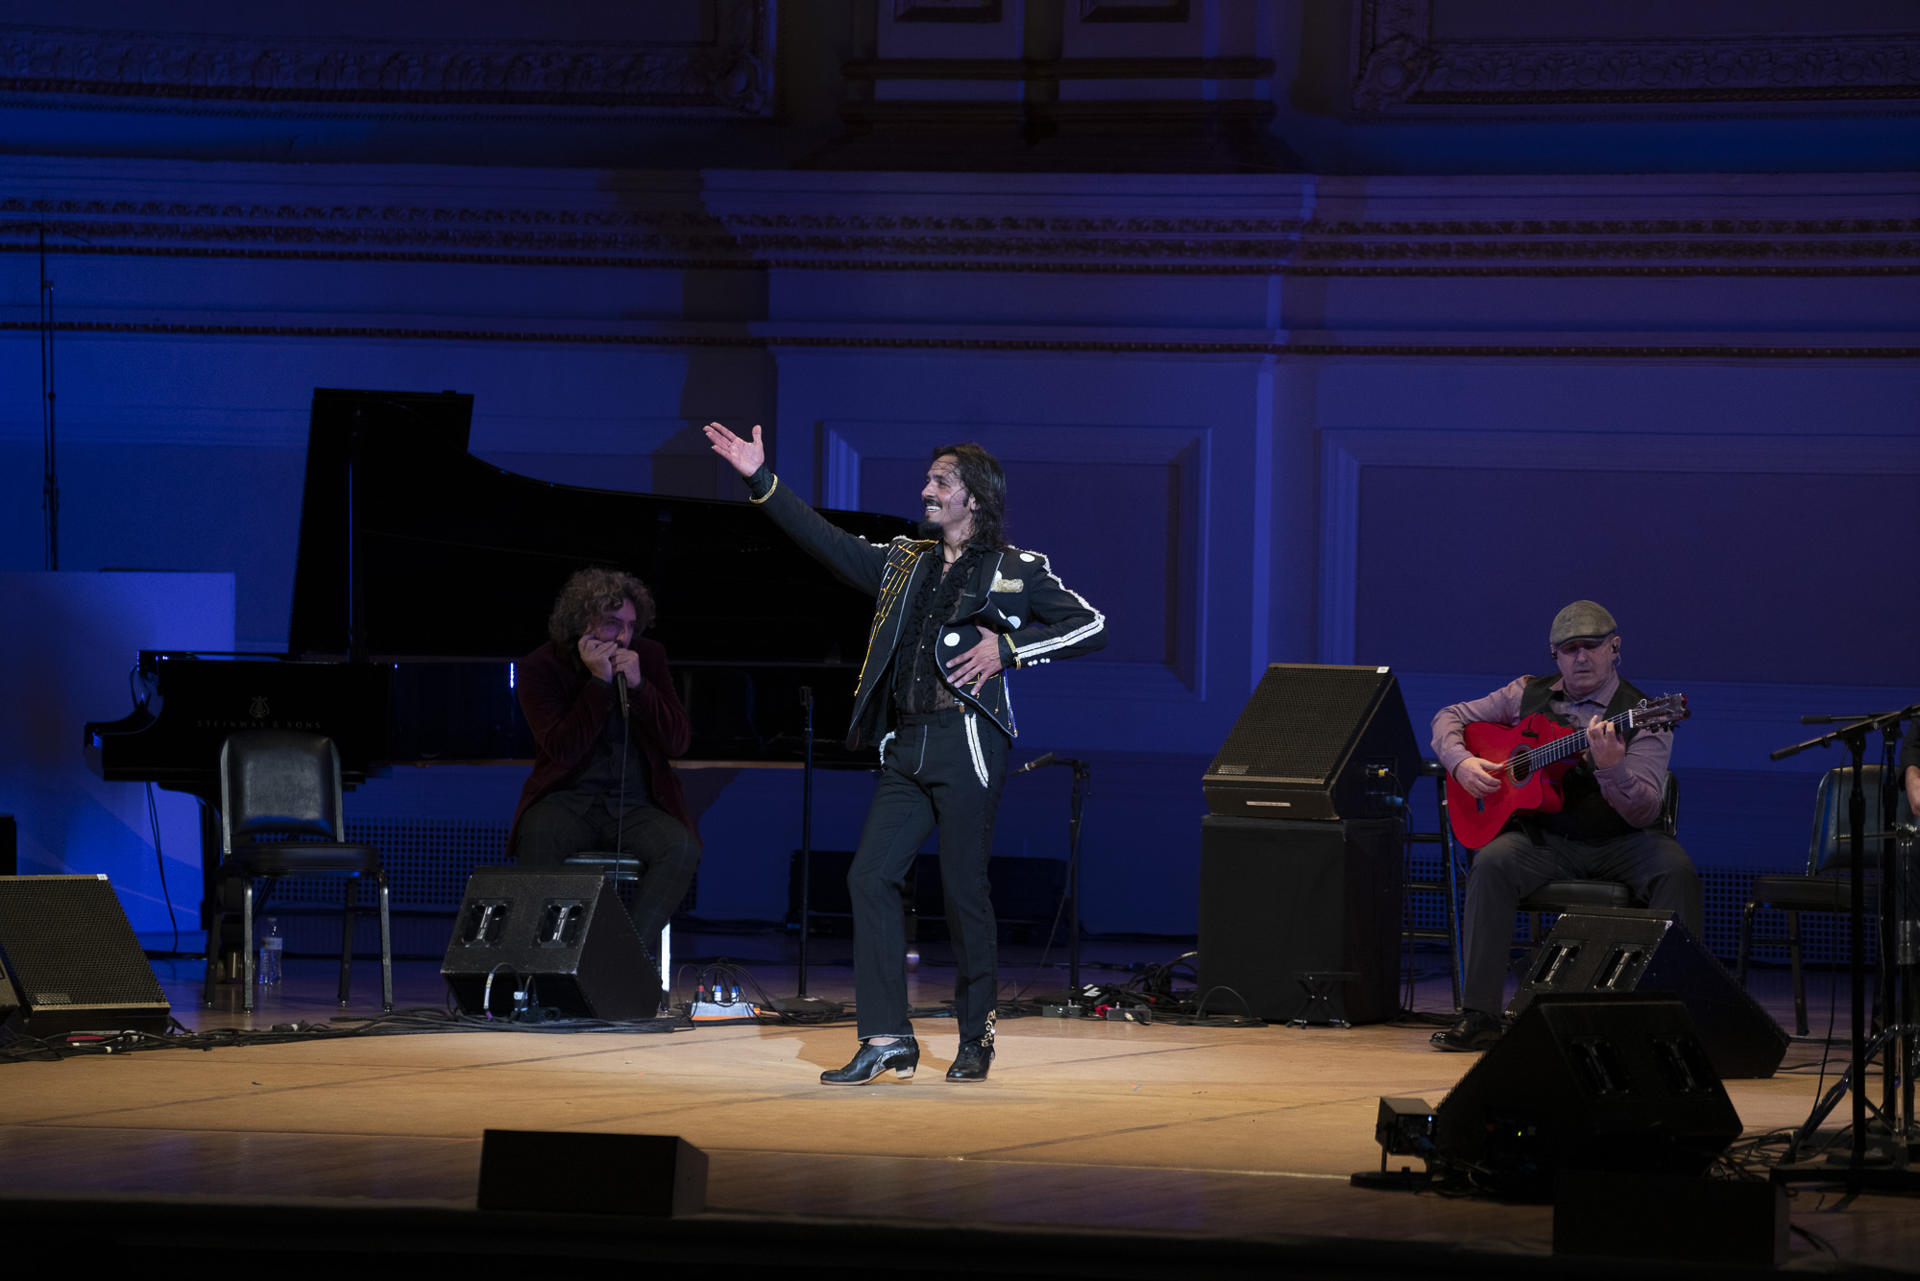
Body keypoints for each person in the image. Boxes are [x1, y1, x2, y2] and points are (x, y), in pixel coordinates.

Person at [703, 421, 1106, 1085]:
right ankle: (888, 1035)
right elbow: (824, 542)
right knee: (869, 874)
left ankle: (976, 1034)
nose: (925, 491)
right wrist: (760, 479)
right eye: (929, 480)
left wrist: (1009, 650)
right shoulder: (903, 562)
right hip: (907, 744)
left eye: (939, 482)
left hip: (968, 743)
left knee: (962, 891)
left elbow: (1091, 625)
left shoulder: (1015, 570)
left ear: (973, 497)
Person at [1429, 599, 1700, 1051]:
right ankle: (1481, 1015)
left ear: (1615, 648)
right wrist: (1460, 763)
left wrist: (1612, 769)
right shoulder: (1524, 693)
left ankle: (1673, 1020)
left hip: (1622, 841)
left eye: (1591, 646)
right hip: (1548, 841)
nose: (1580, 657)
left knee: (1677, 872)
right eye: (1569, 649)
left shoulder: (1644, 713)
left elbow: (1646, 811)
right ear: (1554, 655)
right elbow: (1448, 717)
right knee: (1492, 863)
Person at [509, 567, 701, 951]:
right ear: (583, 621)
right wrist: (598, 684)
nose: (624, 636)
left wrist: (639, 687)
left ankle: (624, 956)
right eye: (613, 624)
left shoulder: (649, 656)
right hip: (568, 800)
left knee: (681, 847)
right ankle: (543, 967)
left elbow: (678, 741)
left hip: (635, 806)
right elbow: (563, 748)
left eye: (630, 625)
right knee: (537, 834)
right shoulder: (541, 667)